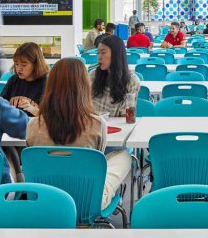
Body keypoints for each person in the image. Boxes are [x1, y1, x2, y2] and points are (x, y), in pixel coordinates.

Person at [25, 58, 133, 210]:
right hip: (87, 201)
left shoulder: (33, 125)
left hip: (44, 199)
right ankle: (106, 193)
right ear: (84, 86)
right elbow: (97, 159)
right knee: (124, 156)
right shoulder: (97, 123)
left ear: (50, 86)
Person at [90, 35, 140, 116]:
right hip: (94, 125)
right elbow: (84, 108)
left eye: (103, 53)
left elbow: (127, 116)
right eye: (98, 53)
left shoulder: (132, 81)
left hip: (117, 127)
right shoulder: (93, 75)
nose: (99, 57)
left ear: (116, 54)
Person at [1, 42, 49, 116]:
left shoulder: (46, 83)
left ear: (36, 64)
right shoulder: (13, 80)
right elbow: (0, 104)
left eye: (24, 65)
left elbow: (50, 118)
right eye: (16, 64)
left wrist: (32, 109)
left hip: (34, 125)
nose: (19, 68)